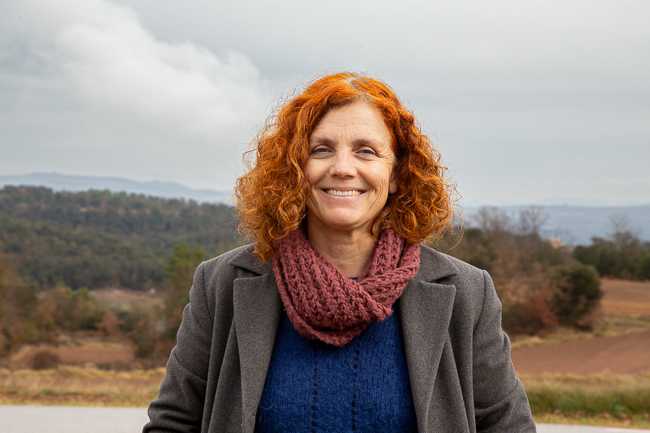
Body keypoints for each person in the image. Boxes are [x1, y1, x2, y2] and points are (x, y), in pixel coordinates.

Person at [143, 72, 536, 433]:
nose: (343, 168)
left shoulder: (467, 293)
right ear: (295, 168)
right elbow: (173, 424)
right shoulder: (221, 284)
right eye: (321, 150)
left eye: (366, 151)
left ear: (397, 174)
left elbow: (508, 427)